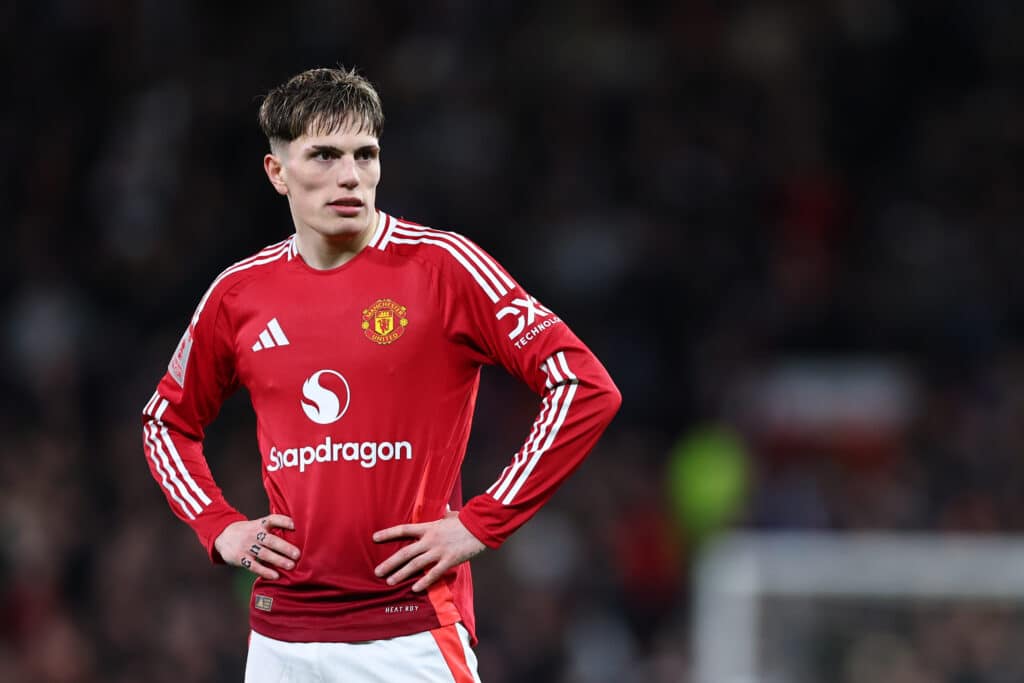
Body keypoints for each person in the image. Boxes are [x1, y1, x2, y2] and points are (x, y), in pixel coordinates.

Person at [142, 66, 621, 682]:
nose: (350, 175)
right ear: (277, 172)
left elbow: (583, 386)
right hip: (279, 639)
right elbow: (165, 422)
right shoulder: (240, 294)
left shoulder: (443, 267)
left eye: (364, 154)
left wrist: (482, 521)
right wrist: (220, 526)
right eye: (324, 155)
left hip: (408, 634)